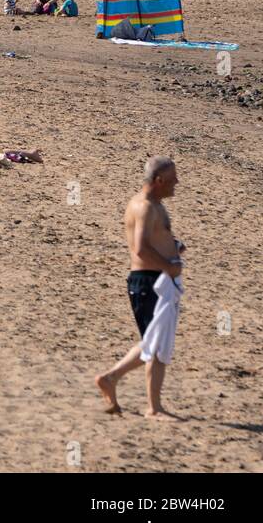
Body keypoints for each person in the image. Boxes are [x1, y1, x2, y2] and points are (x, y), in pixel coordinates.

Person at [95, 157, 185, 420]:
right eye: (172, 179)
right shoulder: (144, 206)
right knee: (156, 347)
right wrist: (169, 267)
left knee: (154, 341)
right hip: (148, 282)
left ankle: (111, 378)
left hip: (158, 280)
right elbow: (140, 247)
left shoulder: (157, 205)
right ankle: (154, 409)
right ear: (158, 181)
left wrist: (174, 247)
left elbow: (156, 239)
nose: (177, 182)